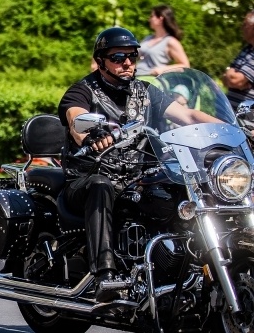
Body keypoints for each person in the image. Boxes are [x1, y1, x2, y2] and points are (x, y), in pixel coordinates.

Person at [59, 27, 219, 303]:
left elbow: (188, 115)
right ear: (101, 61)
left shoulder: (144, 91)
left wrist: (234, 130)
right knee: (101, 185)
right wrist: (89, 133)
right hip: (88, 178)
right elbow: (76, 119)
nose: (128, 63)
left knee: (179, 184)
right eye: (118, 57)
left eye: (132, 56)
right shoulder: (82, 91)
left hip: (135, 177)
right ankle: (104, 274)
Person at [136, 5, 190, 77]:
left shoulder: (170, 41)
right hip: (135, 76)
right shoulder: (148, 38)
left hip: (151, 80)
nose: (149, 19)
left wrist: (164, 69)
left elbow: (185, 65)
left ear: (160, 19)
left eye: (152, 16)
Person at [222, 10, 254, 111]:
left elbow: (235, 80)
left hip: (248, 121)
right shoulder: (247, 49)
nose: (242, 27)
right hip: (232, 115)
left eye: (245, 24)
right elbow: (226, 78)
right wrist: (230, 75)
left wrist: (230, 75)